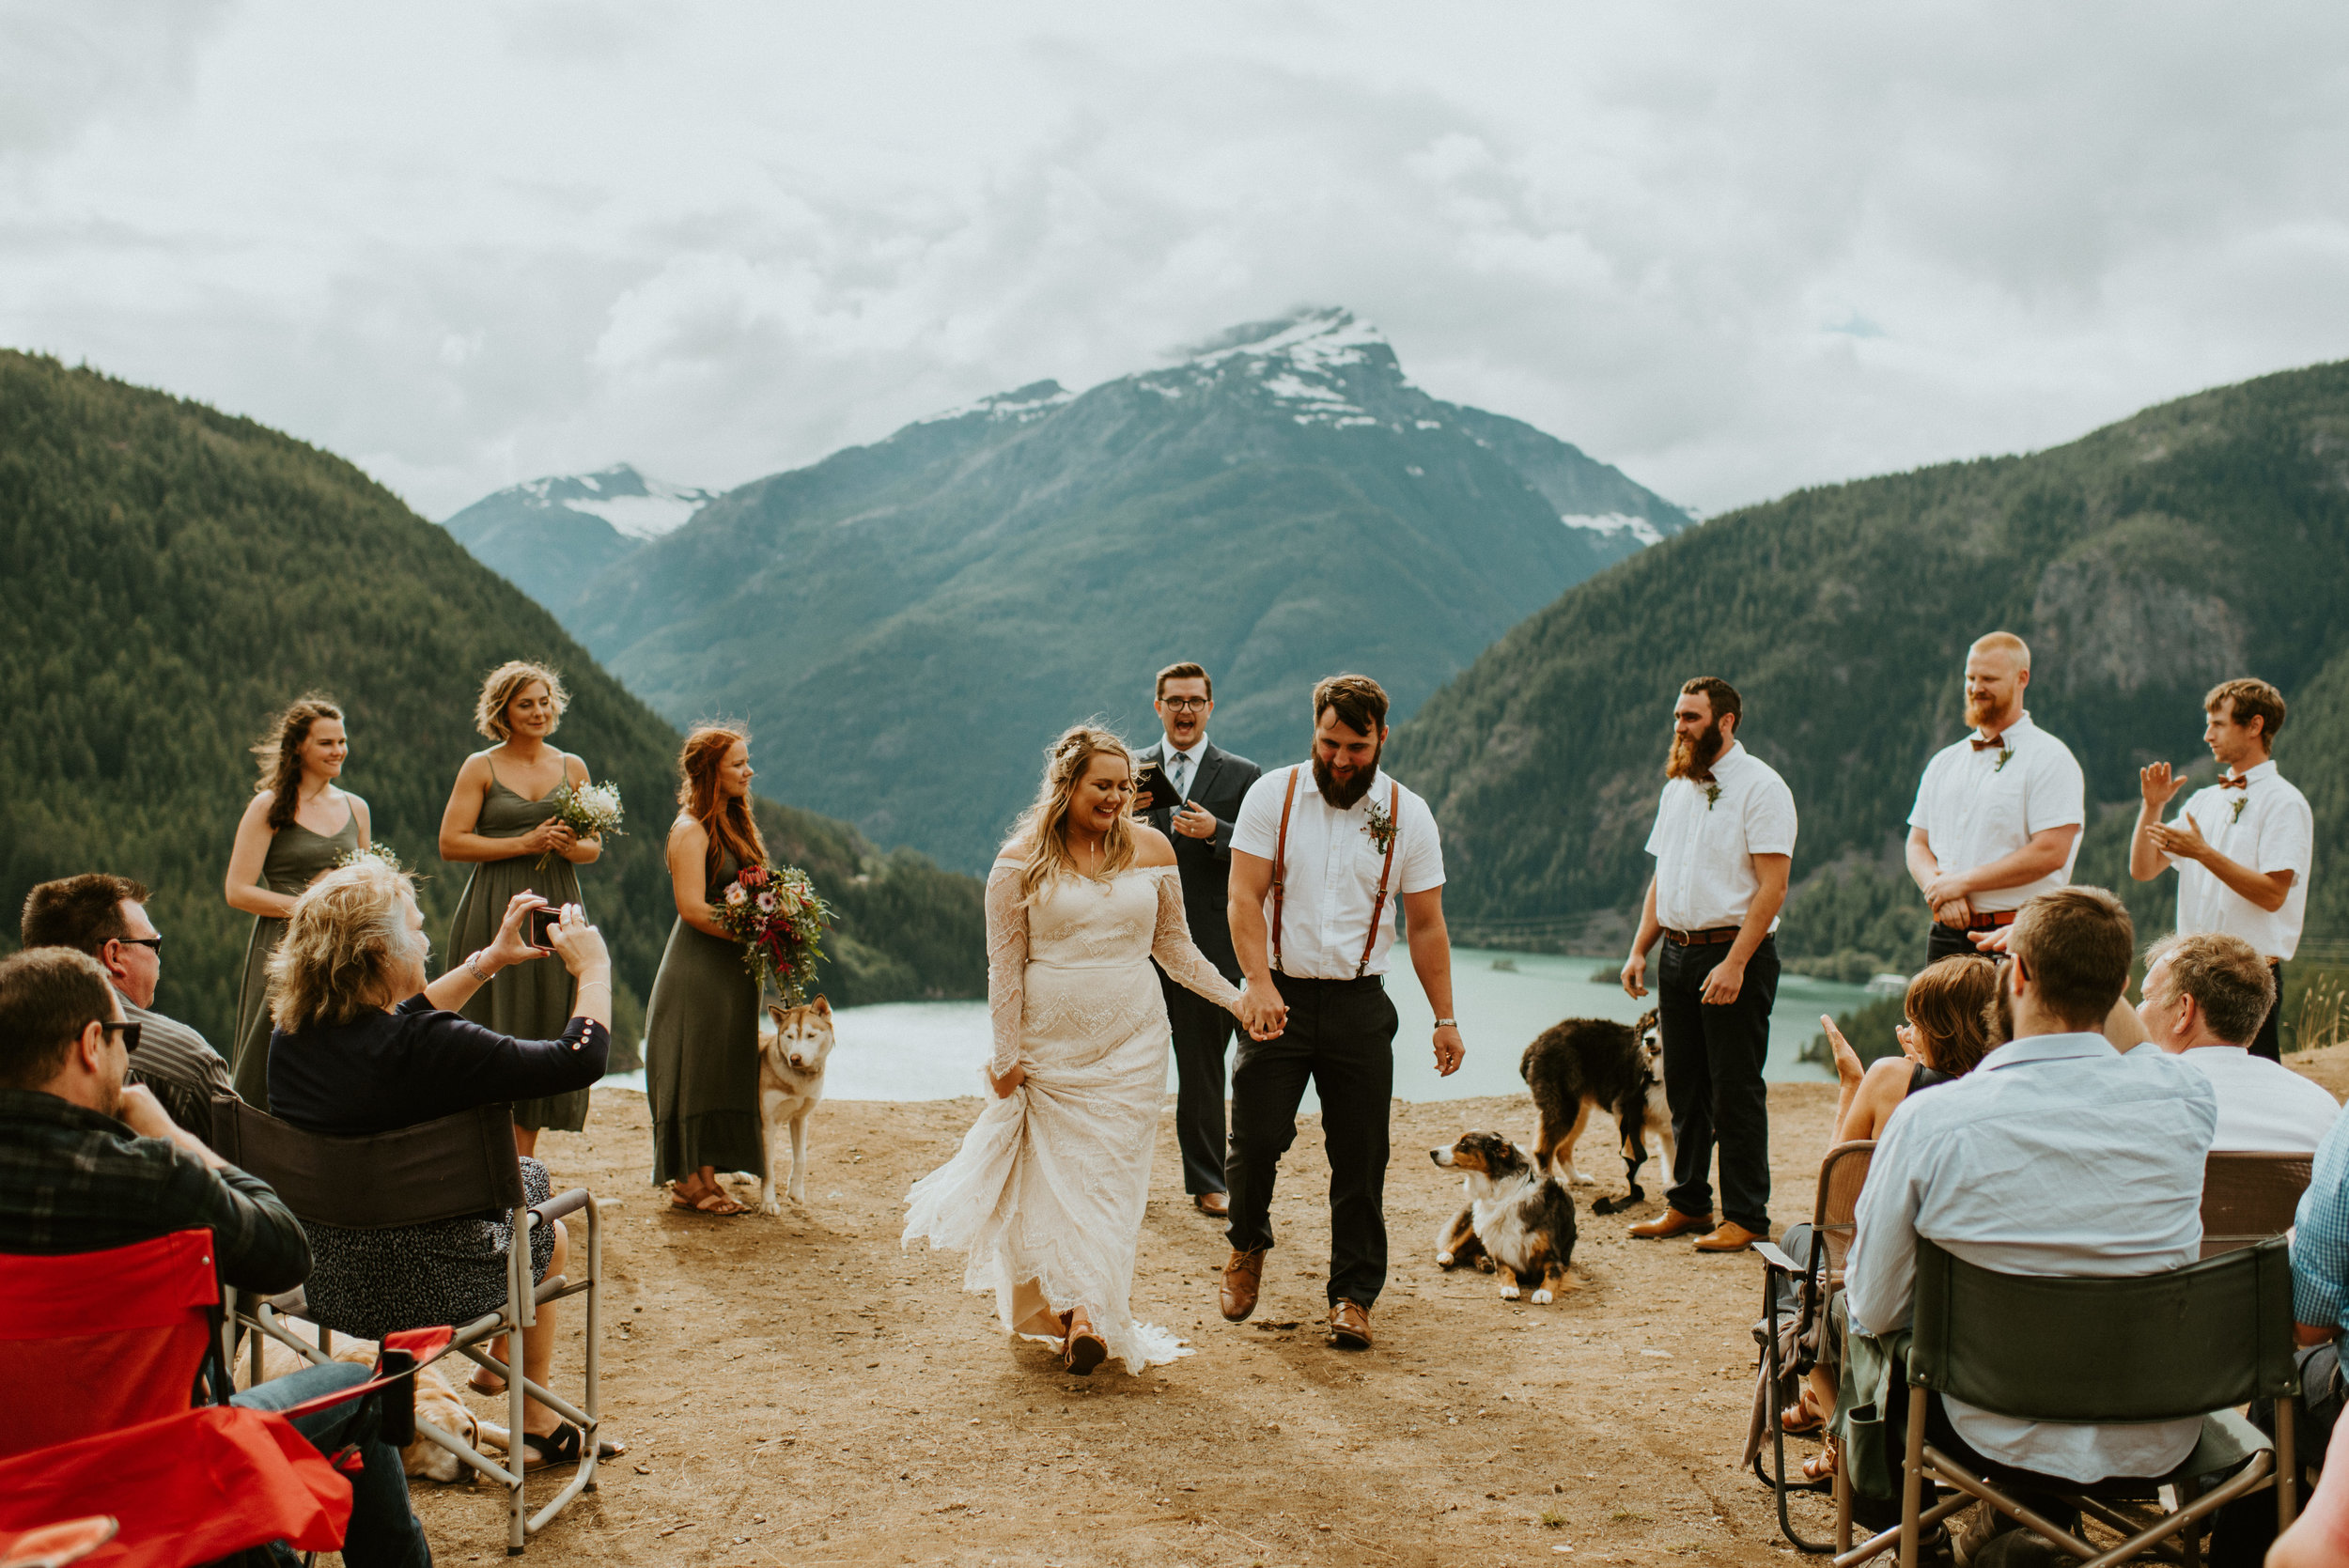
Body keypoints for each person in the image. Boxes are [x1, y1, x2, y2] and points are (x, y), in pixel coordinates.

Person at [0, 946, 430, 1568]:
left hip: (14, 1507)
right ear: (93, 1043)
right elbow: (285, 1251)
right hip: (167, 1493)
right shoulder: (157, 1177)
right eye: (128, 1038)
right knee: (360, 1385)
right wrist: (172, 1136)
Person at [1844, 887, 2217, 1561]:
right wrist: (2084, 965)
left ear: (2013, 976)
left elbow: (1875, 1304)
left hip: (1985, 1421)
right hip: (2155, 1418)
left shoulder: (1933, 1121)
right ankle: (2017, 1531)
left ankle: (1914, 1536)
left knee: (1861, 1316)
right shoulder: (2186, 1097)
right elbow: (2133, 1040)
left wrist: (2037, 952)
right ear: (2123, 989)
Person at [904, 725, 1252, 1374]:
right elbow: (1004, 968)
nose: (1118, 797)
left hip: (1133, 1047)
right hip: (1049, 1053)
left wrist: (1237, 999)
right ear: (1067, 784)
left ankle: (1088, 1311)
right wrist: (1005, 1055)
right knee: (1053, 1187)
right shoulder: (1019, 858)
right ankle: (1072, 1314)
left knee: (1110, 1187)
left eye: (1125, 786)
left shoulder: (1154, 850)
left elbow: (1175, 949)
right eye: (1104, 785)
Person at [264, 856, 616, 1466]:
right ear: (379, 950)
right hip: (420, 1285)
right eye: (417, 927)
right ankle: (532, 1419)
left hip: (326, 1278)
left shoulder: (291, 1036)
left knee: (529, 1181)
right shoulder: (433, 1048)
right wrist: (594, 966)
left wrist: (490, 960)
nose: (427, 939)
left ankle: (484, 1394)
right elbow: (576, 1058)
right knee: (547, 1224)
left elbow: (403, 1016)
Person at [1222, 674, 1460, 1351]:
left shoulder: (1408, 813)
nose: (1340, 760)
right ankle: (1247, 1243)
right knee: (1256, 1139)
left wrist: (1445, 1017)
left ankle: (1354, 1295)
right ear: (1315, 732)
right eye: (1329, 743)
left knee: (1361, 1155)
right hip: (1279, 996)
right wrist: (1257, 981)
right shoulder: (1275, 794)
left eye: (1355, 747)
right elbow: (1243, 895)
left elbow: (1426, 925)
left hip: (1359, 1002)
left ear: (1382, 737)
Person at [1779, 955, 2001, 1474]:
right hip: (1987, 1316)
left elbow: (1834, 1207)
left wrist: (1852, 1085)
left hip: (1900, 1312)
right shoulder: (2004, 1092)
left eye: (1918, 1016)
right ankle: (1824, 1408)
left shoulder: (1889, 1080)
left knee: (1798, 1246)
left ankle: (1839, 1425)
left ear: (1936, 1025)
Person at [1621, 676, 1797, 1255]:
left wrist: (1736, 963)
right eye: (1677, 715)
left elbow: (1773, 887)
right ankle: (1689, 1204)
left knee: (1735, 1090)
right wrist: (1639, 947)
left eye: (1691, 717)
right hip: (1675, 951)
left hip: (1732, 954)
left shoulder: (1762, 787)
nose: (1679, 726)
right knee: (1685, 1087)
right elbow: (1661, 877)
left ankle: (1747, 1216)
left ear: (1726, 722)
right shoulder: (1678, 788)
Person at [439, 660, 607, 1157]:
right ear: (503, 712)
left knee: (542, 1016)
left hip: (555, 900)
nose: (538, 712)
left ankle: (522, 1162)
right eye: (525, 704)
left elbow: (593, 847)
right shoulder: (481, 766)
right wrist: (523, 841)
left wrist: (565, 844)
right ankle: (483, 1154)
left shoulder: (573, 766)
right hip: (496, 904)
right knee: (493, 1017)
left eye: (545, 701)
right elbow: (451, 843)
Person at [1134, 660, 1262, 1219]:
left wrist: (1218, 834)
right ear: (1157, 706)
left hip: (1209, 942)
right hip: (1133, 938)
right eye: (1174, 700)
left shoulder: (1242, 774)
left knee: (1204, 1067)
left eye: (1195, 701)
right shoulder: (1129, 770)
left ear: (1210, 707)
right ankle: (1120, 1181)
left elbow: (1262, 856)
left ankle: (1208, 1181)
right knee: (1126, 1066)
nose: (1185, 710)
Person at [2129, 677, 2312, 1063]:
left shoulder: (2285, 802)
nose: (2207, 734)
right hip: (2189, 974)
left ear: (2254, 726)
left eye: (2218, 723)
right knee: (2184, 1073)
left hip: (2247, 976)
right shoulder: (2204, 800)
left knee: (2252, 1084)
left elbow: (2273, 894)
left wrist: (2202, 853)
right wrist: (2152, 806)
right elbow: (2143, 869)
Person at [645, 724, 766, 1217]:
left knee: (719, 1066)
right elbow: (692, 908)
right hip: (697, 969)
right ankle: (686, 1181)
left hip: (733, 972)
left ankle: (708, 1176)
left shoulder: (733, 822)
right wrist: (755, 931)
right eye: (737, 763)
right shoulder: (689, 829)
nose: (748, 771)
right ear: (709, 770)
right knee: (693, 1065)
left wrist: (773, 919)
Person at [1906, 632, 2085, 964]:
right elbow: (1917, 843)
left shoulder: (2051, 758)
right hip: (1945, 933)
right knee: (1933, 1019)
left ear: (2022, 678)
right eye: (1970, 678)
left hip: (2017, 935)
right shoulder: (1945, 760)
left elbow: (2052, 851)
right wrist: (1939, 890)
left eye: (1988, 678)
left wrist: (1960, 883)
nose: (1975, 688)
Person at [224, 693, 367, 1108]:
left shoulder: (356, 808)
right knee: (270, 1047)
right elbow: (237, 891)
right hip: (282, 945)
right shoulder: (269, 805)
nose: (338, 750)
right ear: (298, 746)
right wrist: (311, 901)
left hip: (339, 947)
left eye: (341, 741)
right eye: (326, 743)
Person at [20, 873, 235, 1135]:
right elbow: (242, 1167)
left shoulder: (14, 1044)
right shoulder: (188, 1061)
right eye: (154, 944)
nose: (158, 959)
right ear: (114, 956)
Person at [2139, 931, 2336, 1151]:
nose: (2138, 1011)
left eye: (2147, 998)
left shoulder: (2139, 1105)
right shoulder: (2322, 1111)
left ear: (2184, 1011)